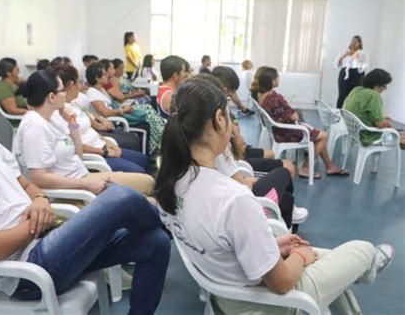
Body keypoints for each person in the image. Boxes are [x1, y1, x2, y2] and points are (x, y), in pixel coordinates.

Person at [0, 67, 170, 314]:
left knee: (156, 243)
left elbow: (27, 184)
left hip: (49, 239)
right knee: (120, 197)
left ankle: (167, 227)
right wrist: (35, 227)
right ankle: (173, 221)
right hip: (28, 272)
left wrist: (40, 200)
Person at [154, 77, 394, 315]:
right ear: (219, 119)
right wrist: (299, 256)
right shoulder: (234, 199)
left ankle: (361, 270)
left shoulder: (171, 181)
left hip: (225, 293)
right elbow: (281, 283)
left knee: (334, 266)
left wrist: (271, 246)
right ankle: (370, 265)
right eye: (228, 115)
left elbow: (221, 246)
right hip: (267, 305)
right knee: (361, 249)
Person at [14, 68, 155, 196]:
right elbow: (39, 178)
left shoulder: (52, 119)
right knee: (147, 188)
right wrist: (86, 184)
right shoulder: (35, 126)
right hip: (74, 190)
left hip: (83, 177)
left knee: (148, 184)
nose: (65, 94)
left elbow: (79, 155)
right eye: (62, 90)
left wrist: (72, 124)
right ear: (51, 97)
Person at [191, 74, 307, 227]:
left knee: (286, 200)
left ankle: (286, 218)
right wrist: (250, 181)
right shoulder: (218, 150)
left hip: (229, 200)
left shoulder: (189, 150)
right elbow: (241, 185)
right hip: (242, 202)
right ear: (219, 118)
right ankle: (273, 222)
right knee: (284, 172)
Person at [54, 64, 149, 173]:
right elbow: (73, 145)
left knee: (142, 159)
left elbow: (90, 124)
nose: (81, 86)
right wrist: (104, 151)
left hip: (101, 144)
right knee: (139, 169)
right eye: (79, 82)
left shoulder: (74, 103)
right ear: (71, 85)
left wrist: (108, 143)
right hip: (96, 154)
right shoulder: (62, 113)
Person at [258, 67, 348, 179]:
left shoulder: (261, 96)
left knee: (318, 135)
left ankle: (330, 166)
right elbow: (294, 116)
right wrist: (293, 113)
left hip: (277, 131)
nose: (278, 78)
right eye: (277, 77)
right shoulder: (275, 98)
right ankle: (306, 169)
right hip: (287, 132)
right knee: (324, 136)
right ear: (272, 80)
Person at [344, 68, 405, 148]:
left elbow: (362, 112)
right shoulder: (374, 95)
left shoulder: (356, 90)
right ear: (377, 85)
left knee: (400, 135)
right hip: (369, 136)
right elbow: (380, 125)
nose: (385, 89)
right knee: (401, 139)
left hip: (355, 133)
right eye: (384, 86)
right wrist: (388, 125)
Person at [335, 35, 369, 108]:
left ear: (359, 43)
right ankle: (338, 114)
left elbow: (364, 66)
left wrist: (357, 57)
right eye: (352, 41)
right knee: (342, 95)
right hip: (344, 74)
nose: (353, 43)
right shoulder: (345, 51)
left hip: (357, 75)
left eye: (355, 42)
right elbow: (337, 63)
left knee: (354, 96)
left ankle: (350, 115)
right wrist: (346, 54)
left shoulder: (362, 53)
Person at [0, 58, 27, 126]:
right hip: (22, 120)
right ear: (8, 73)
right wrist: (34, 112)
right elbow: (12, 110)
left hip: (29, 116)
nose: (19, 71)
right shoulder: (3, 87)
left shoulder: (14, 84)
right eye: (17, 70)